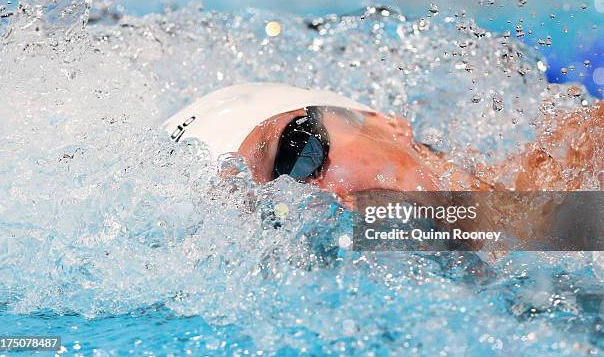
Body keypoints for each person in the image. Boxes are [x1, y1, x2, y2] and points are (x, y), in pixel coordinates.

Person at [164, 82, 603, 249]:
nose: (313, 200)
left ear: (385, 123)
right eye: (272, 214)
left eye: (297, 157)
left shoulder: (584, 152)